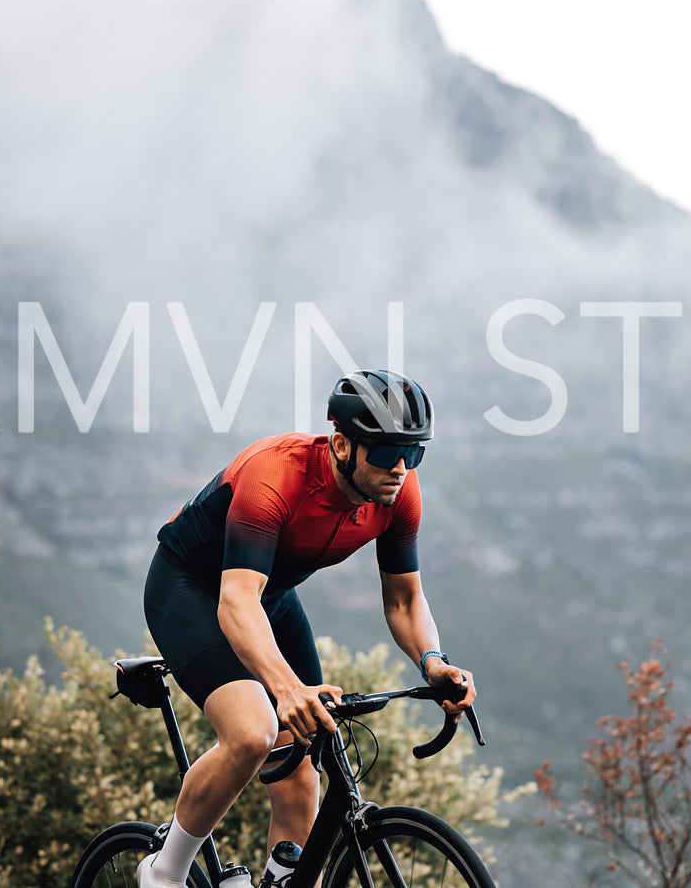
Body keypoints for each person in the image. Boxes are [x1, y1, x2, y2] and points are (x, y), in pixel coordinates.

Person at [137, 369, 477, 888]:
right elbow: (234, 603)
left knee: (302, 764)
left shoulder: (398, 495)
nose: (402, 469)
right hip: (191, 591)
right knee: (255, 732)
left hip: (267, 598)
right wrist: (285, 689)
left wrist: (434, 661)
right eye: (387, 454)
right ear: (342, 444)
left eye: (415, 454)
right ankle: (164, 872)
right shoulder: (276, 475)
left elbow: (405, 599)